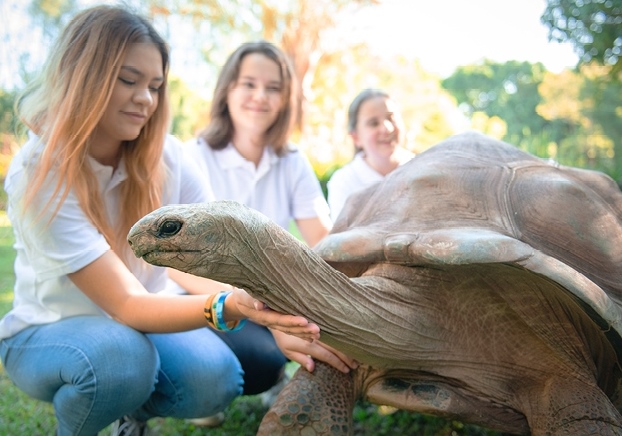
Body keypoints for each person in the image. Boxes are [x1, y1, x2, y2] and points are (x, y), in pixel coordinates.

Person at [0, 6, 320, 436]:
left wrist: (272, 313)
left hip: (137, 329)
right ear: (83, 77)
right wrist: (230, 306)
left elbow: (217, 255)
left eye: (154, 86)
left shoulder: (168, 156)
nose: (146, 99)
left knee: (218, 377)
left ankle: (130, 415)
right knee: (119, 359)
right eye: (128, 81)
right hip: (50, 333)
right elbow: (127, 304)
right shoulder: (38, 171)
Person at [181, 41, 356, 405]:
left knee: (292, 344)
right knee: (257, 359)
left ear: (285, 98)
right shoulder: (193, 157)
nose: (260, 96)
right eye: (248, 84)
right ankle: (194, 384)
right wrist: (253, 307)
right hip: (199, 293)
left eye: (273, 87)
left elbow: (322, 240)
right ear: (227, 89)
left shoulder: (291, 161)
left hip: (264, 296)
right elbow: (173, 264)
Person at [327, 88, 415, 221]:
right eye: (373, 123)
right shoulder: (344, 182)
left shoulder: (422, 168)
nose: (387, 128)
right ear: (356, 137)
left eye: (391, 118)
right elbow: (343, 237)